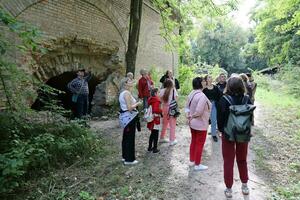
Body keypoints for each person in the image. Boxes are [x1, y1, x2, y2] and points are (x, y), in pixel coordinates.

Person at [217, 76, 253, 198]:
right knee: (242, 159)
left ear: (228, 85)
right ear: (242, 86)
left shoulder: (224, 100)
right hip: (243, 133)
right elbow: (250, 118)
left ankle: (228, 189)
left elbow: (220, 120)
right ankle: (244, 185)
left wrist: (221, 131)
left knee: (228, 161)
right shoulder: (247, 99)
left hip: (228, 134)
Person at [185, 77, 211, 171]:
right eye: (204, 81)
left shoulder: (192, 93)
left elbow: (187, 107)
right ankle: (197, 164)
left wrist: (189, 116)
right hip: (201, 124)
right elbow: (199, 111)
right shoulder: (202, 96)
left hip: (192, 123)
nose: (205, 82)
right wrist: (192, 116)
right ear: (200, 83)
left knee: (194, 141)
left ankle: (192, 160)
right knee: (199, 144)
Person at [119, 77, 142, 165]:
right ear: (125, 84)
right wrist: (137, 103)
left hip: (126, 118)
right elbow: (129, 108)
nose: (131, 81)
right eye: (129, 81)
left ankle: (125, 156)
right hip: (129, 118)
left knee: (126, 137)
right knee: (129, 138)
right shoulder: (127, 93)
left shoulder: (123, 93)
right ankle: (129, 159)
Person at [203, 75, 222, 142]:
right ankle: (203, 134)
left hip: (214, 105)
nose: (211, 78)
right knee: (205, 121)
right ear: (206, 80)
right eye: (209, 77)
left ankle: (213, 134)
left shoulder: (216, 87)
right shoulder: (204, 89)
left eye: (211, 77)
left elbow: (220, 96)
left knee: (214, 120)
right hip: (205, 106)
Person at [159, 79, 178, 145]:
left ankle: (162, 137)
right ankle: (172, 140)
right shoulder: (173, 90)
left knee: (165, 123)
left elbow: (160, 100)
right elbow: (176, 100)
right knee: (172, 125)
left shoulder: (161, 91)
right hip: (172, 108)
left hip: (164, 108)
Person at [147, 88, 162, 153]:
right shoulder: (156, 100)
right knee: (156, 133)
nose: (159, 94)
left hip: (152, 118)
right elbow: (156, 110)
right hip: (155, 119)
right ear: (155, 93)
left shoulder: (151, 99)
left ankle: (150, 147)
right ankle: (155, 148)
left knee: (152, 133)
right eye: (159, 92)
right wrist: (161, 110)